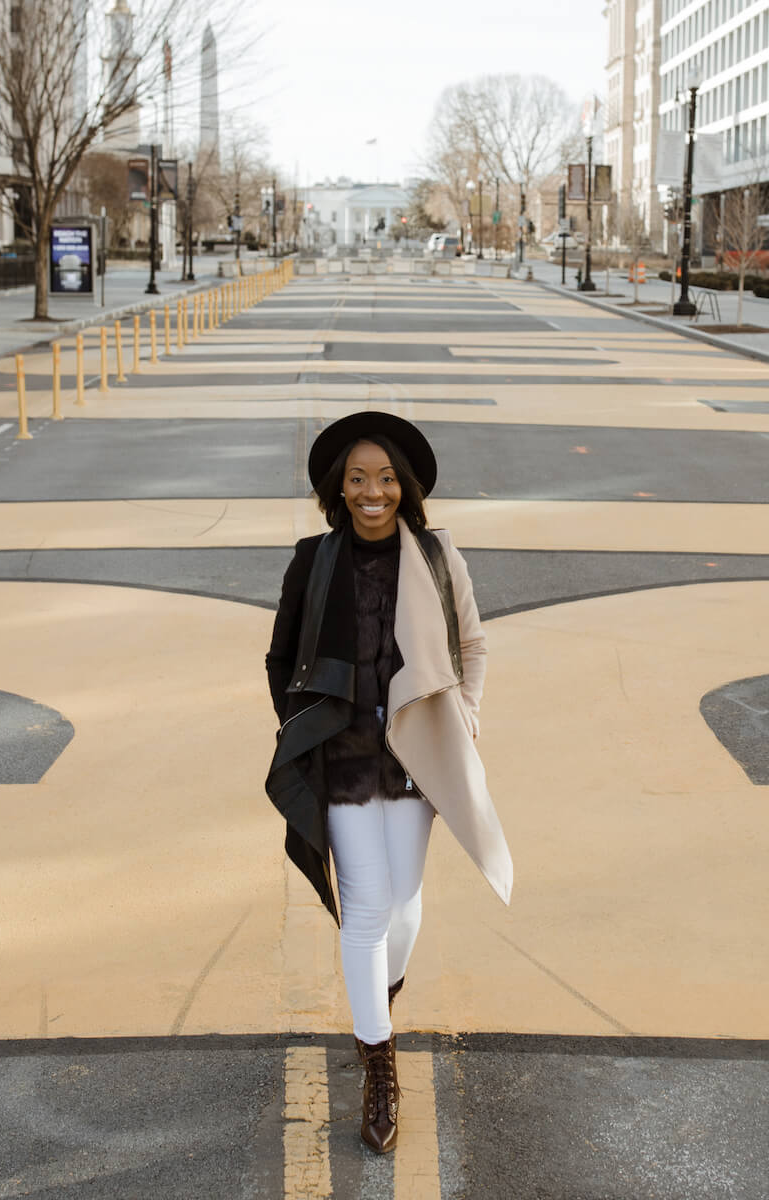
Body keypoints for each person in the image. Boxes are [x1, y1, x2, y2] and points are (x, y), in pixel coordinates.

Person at [264, 412, 513, 1155]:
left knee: (405, 904)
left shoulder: (437, 556)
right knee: (367, 907)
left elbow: (473, 643)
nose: (373, 492)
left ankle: (380, 991)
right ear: (339, 490)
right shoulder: (313, 560)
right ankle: (379, 1060)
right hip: (339, 755)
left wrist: (463, 715)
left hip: (414, 755)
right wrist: (299, 722)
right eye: (357, 479)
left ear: (404, 487)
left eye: (385, 479)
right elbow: (279, 656)